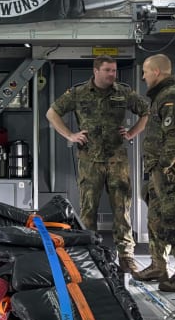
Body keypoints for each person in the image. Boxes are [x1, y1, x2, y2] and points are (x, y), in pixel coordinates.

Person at [46, 56, 148, 273]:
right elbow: (52, 113)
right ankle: (89, 255)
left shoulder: (123, 92)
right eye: (108, 70)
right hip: (89, 161)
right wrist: (70, 135)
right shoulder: (78, 93)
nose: (113, 74)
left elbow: (147, 112)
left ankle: (126, 256)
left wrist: (131, 133)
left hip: (117, 160)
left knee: (122, 209)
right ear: (96, 71)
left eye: (114, 70)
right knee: (88, 210)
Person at [133, 54, 175, 292]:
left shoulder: (171, 97)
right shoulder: (161, 96)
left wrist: (163, 168)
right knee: (157, 220)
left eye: (146, 72)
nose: (143, 76)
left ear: (157, 72)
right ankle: (159, 266)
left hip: (169, 173)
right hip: (159, 171)